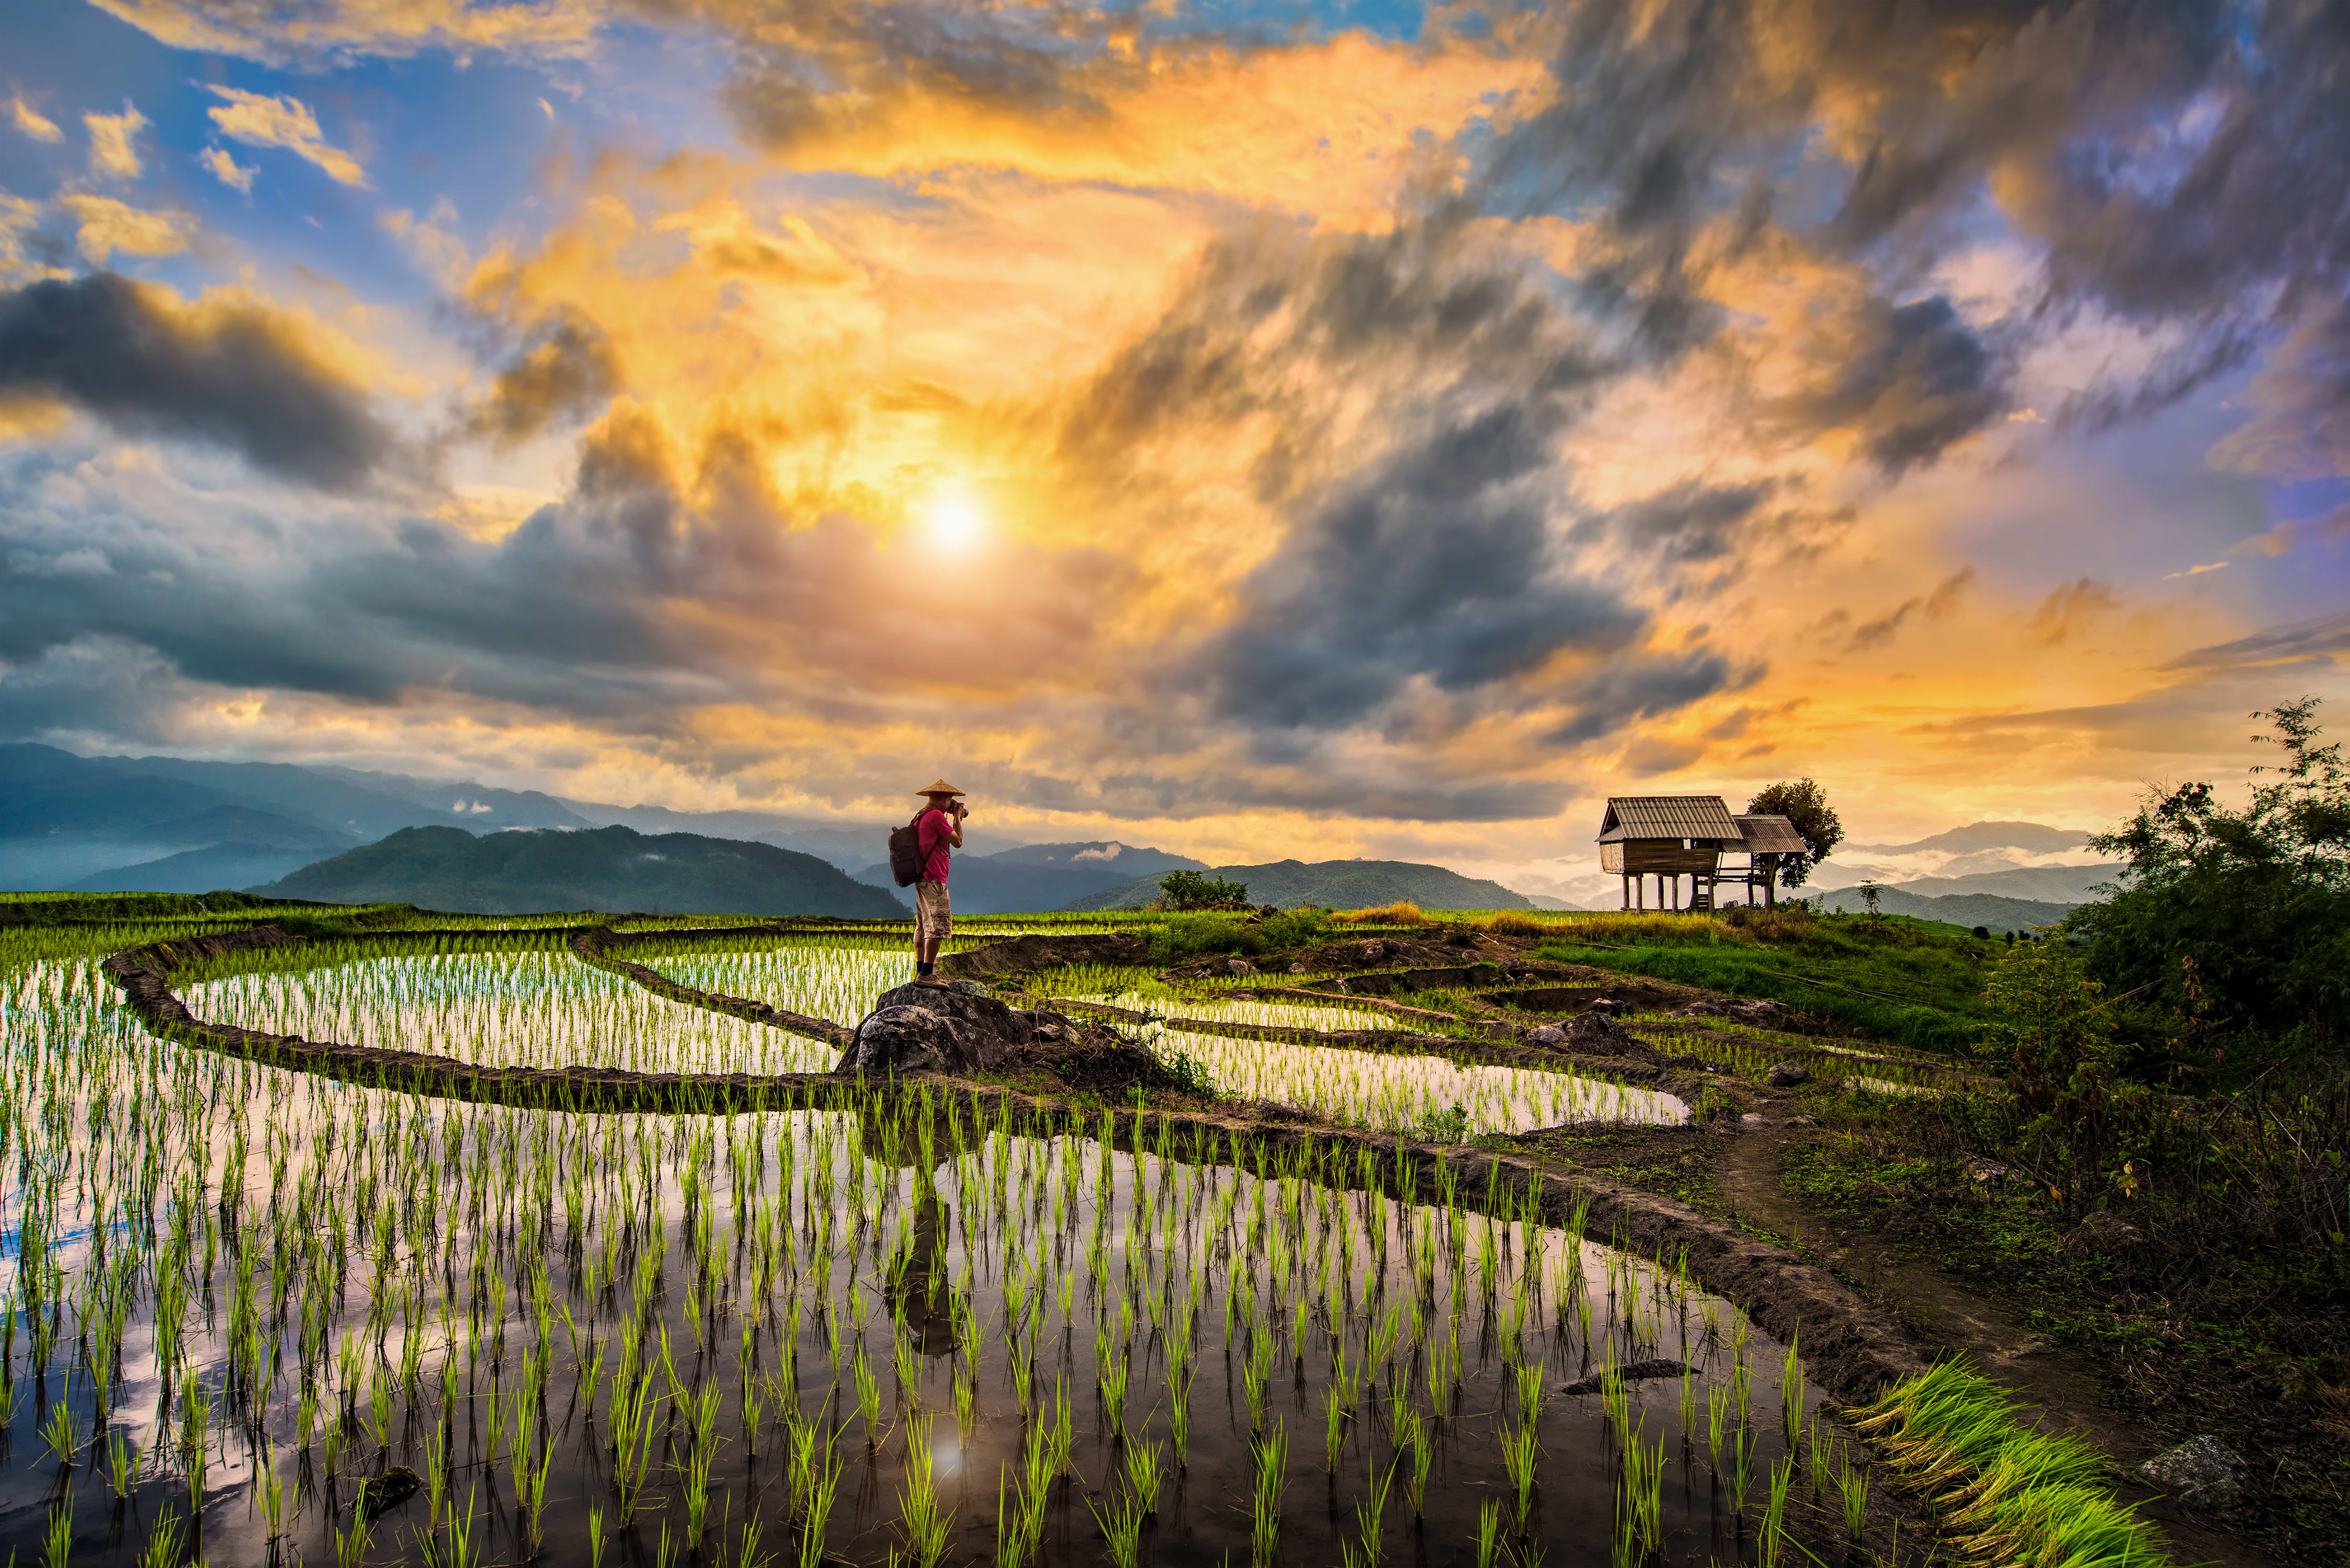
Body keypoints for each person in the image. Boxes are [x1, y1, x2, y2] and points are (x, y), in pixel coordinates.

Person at [911, 780, 965, 980]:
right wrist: (957, 818)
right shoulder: (935, 816)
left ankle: (919, 972)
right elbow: (957, 841)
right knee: (937, 928)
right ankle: (927, 975)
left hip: (923, 878)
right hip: (935, 878)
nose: (951, 804)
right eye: (950, 800)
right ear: (944, 799)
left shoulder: (920, 815)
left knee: (923, 926)